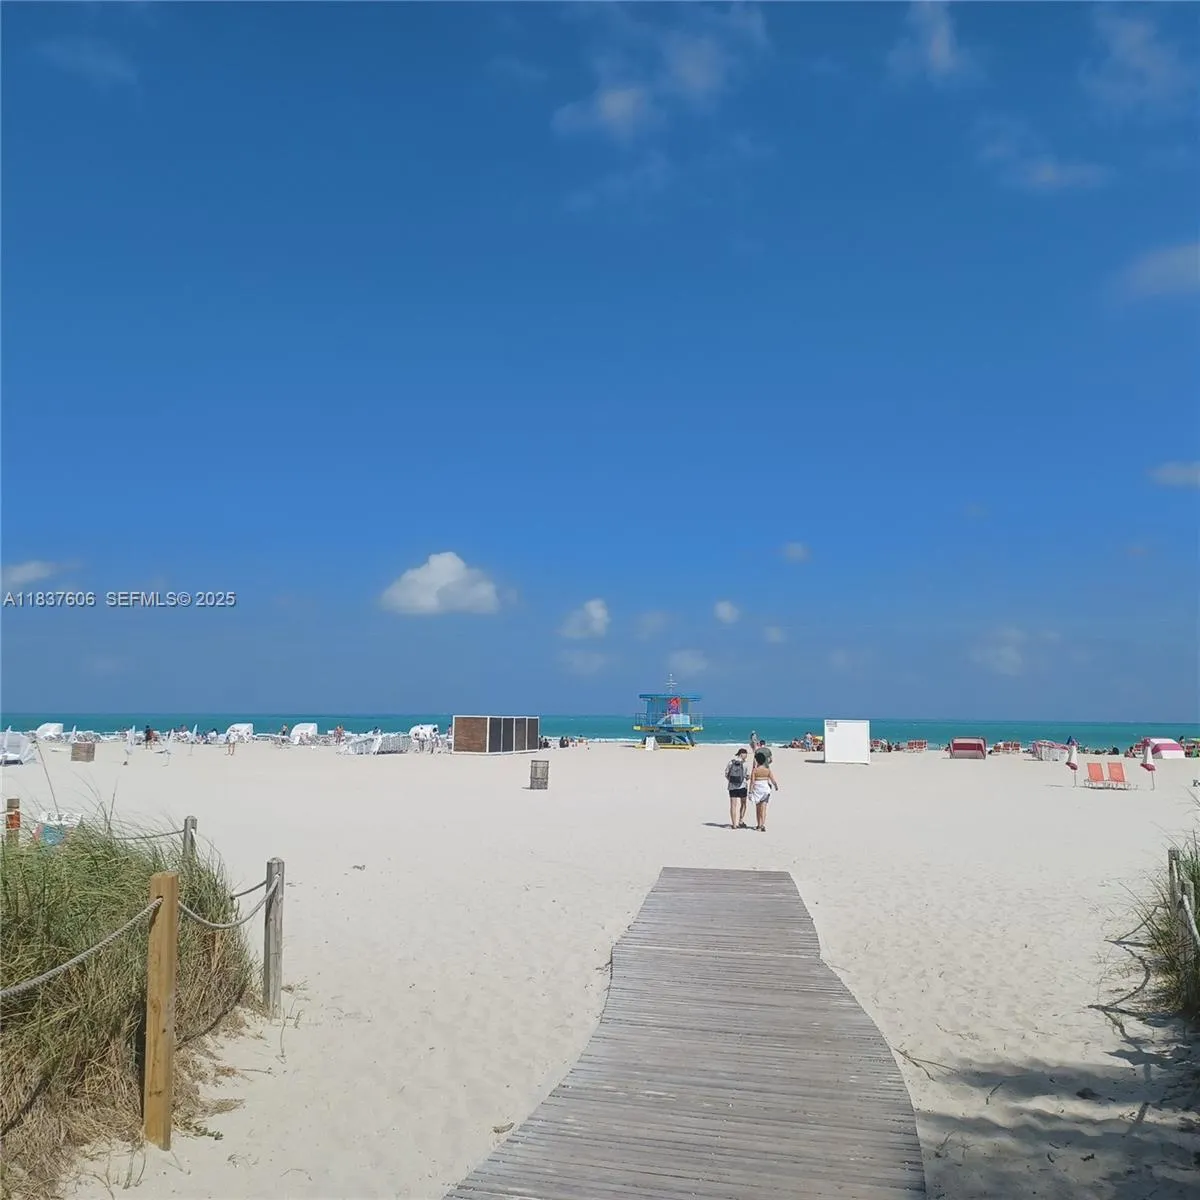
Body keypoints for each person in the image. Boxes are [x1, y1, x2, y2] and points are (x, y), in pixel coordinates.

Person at [749, 750, 779, 832]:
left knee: (758, 808)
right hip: (766, 789)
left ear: (757, 760)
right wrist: (776, 786)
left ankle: (759, 825)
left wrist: (750, 792)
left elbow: (752, 782)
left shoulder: (755, 770)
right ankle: (762, 825)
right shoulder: (767, 770)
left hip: (757, 790)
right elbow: (773, 780)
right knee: (764, 808)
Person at [725, 747, 750, 829]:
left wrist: (731, 780)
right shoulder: (745, 764)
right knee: (743, 804)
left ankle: (734, 824)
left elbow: (726, 774)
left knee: (733, 805)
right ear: (742, 754)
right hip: (742, 786)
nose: (746, 756)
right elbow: (747, 776)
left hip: (732, 786)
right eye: (746, 754)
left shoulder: (731, 762)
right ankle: (740, 820)